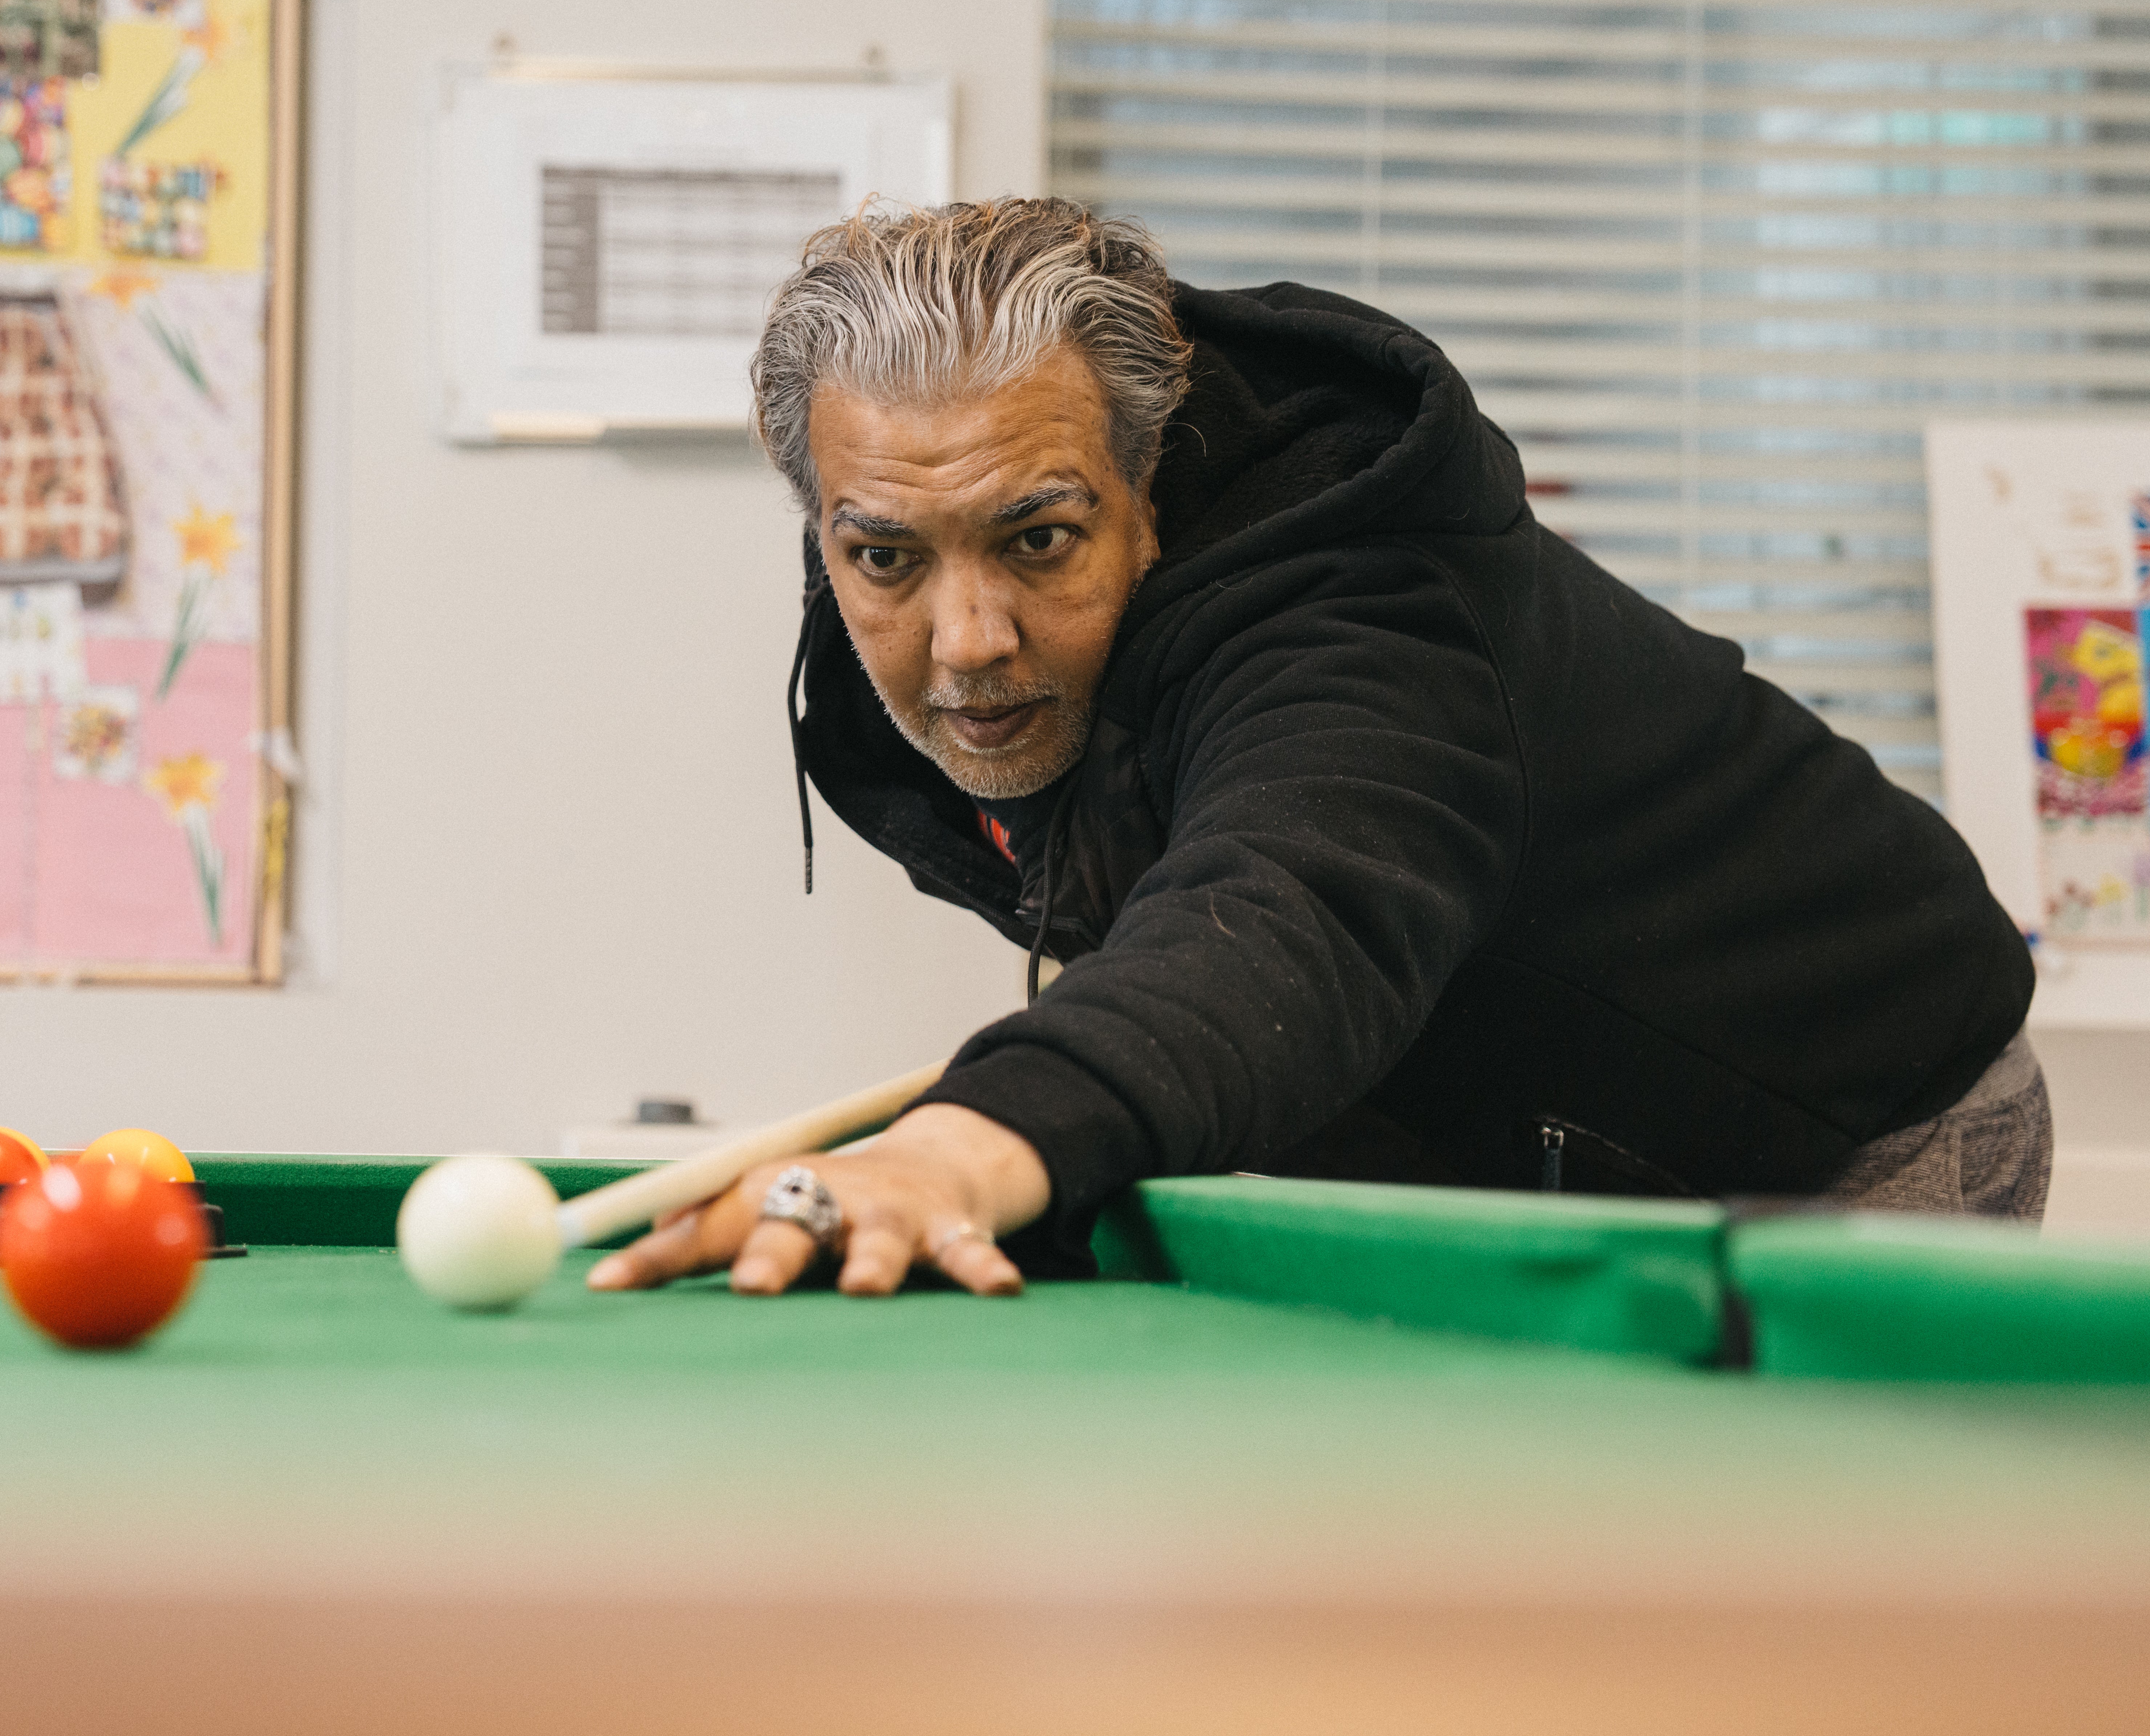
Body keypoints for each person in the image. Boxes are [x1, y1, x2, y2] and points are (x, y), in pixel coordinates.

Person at [590, 199, 2045, 1303]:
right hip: (1462, 1082)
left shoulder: (1358, 624)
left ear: (1150, 485)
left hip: (1835, 1114)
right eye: (888, 556)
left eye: (1039, 539)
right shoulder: (917, 580)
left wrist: (969, 1141)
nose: (968, 637)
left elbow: (1284, 916)